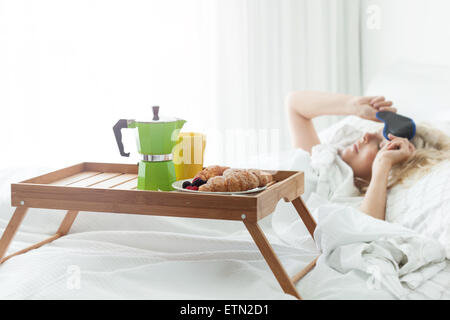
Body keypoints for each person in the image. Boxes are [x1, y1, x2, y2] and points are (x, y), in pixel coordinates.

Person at [286, 91, 450, 221]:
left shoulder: (352, 201)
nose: (366, 136)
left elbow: (366, 228)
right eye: (374, 133)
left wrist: (383, 164)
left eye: (379, 146)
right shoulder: (319, 160)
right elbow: (294, 104)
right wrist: (352, 106)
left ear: (393, 171)